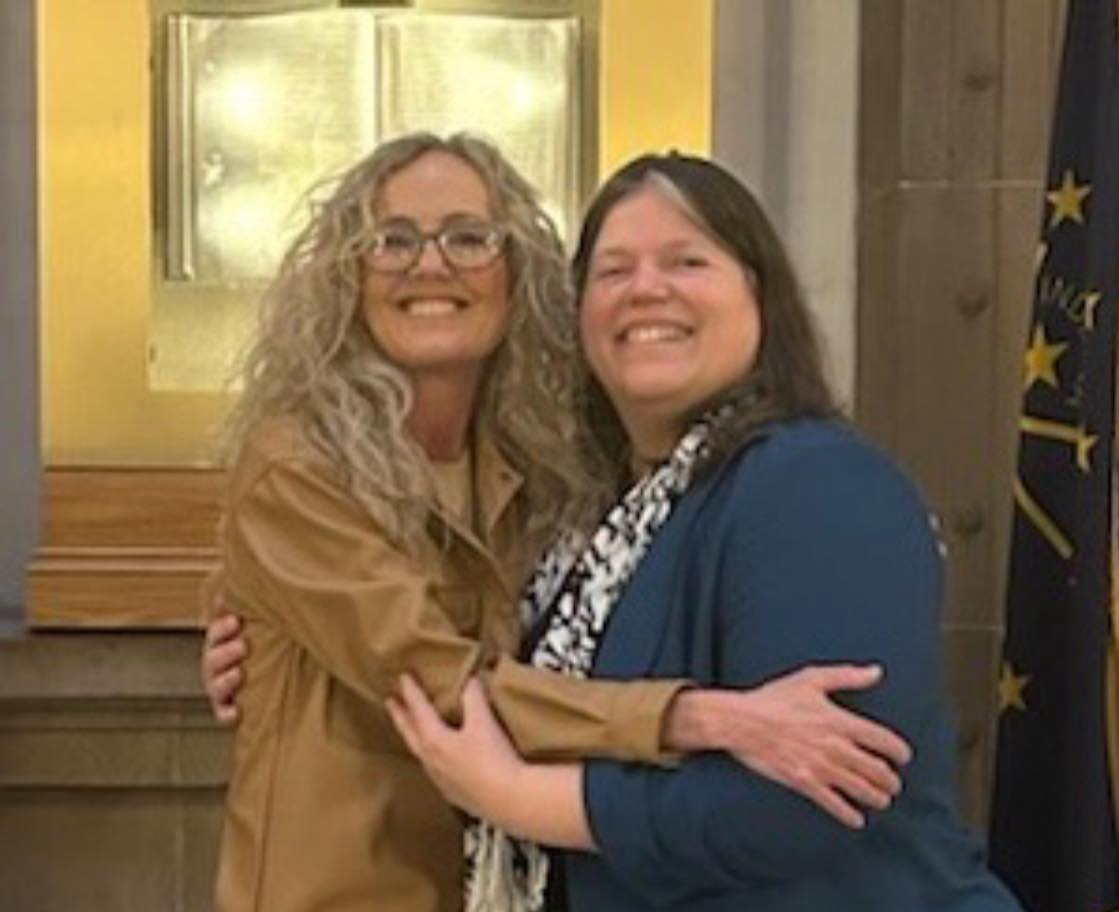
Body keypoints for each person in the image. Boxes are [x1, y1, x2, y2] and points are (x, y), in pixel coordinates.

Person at [203, 133, 914, 912]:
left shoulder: (550, 469)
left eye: (469, 238)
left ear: (519, 277)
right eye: (391, 240)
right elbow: (441, 680)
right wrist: (692, 716)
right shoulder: (297, 461)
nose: (430, 264)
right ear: (347, 275)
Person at [386, 152, 1025, 911]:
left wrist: (518, 795)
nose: (646, 289)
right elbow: (475, 678)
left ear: (761, 299)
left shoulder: (815, 482)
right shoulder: (582, 522)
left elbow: (805, 805)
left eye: (686, 261)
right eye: (613, 271)